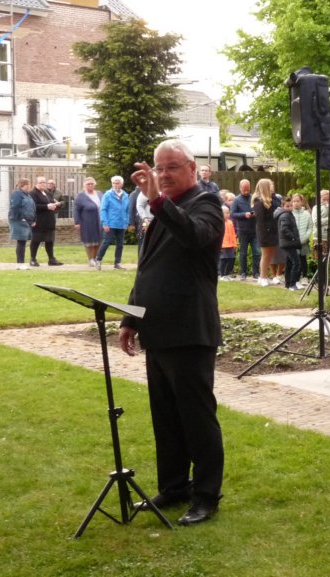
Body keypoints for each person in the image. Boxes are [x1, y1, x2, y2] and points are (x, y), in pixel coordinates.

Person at [120, 138, 225, 526]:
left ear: (192, 168)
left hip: (190, 329)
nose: (163, 175)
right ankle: (174, 486)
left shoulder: (205, 203)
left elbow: (195, 235)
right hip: (158, 328)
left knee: (197, 417)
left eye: (171, 167)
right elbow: (148, 267)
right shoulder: (161, 209)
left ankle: (207, 495)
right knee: (165, 416)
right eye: (158, 168)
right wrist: (130, 318)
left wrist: (157, 202)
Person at [95, 176, 130, 270]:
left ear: (121, 184)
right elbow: (103, 210)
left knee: (120, 244)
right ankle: (98, 260)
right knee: (106, 242)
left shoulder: (126, 195)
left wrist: (126, 222)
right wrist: (105, 223)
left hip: (121, 224)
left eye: (117, 183)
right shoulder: (107, 195)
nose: (115, 185)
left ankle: (117, 263)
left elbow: (127, 210)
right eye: (114, 183)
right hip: (111, 223)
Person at [29, 176, 63, 266]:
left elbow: (51, 202)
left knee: (50, 240)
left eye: (44, 182)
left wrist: (55, 205)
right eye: (41, 182)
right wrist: (46, 206)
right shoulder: (33, 193)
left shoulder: (47, 193)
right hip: (39, 221)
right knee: (36, 241)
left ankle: (51, 259)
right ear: (36, 183)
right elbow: (33, 206)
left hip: (49, 221)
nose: (43, 184)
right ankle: (33, 259)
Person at [231, 179, 260, 280]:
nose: (246, 191)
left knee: (257, 252)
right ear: (240, 188)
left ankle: (256, 273)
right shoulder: (236, 200)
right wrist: (244, 214)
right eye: (244, 190)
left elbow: (259, 210)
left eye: (248, 189)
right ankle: (243, 273)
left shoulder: (254, 198)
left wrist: (255, 213)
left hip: (254, 230)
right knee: (243, 253)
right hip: (242, 230)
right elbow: (232, 214)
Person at [252, 179, 279, 287]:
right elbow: (260, 220)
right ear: (265, 187)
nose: (273, 187)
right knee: (266, 255)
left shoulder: (273, 199)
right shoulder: (259, 202)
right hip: (265, 232)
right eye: (270, 185)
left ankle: (264, 276)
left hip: (273, 230)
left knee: (271, 254)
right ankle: (262, 277)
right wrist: (267, 231)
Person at [8, 178, 36, 270]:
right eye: (28, 185)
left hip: (27, 221)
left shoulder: (28, 195)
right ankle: (20, 263)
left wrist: (33, 220)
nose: (30, 186)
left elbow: (32, 208)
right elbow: (15, 207)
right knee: (21, 241)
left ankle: (20, 263)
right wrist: (22, 218)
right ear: (23, 185)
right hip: (19, 220)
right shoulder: (17, 194)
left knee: (23, 242)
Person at [312, 189, 330, 285]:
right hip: (320, 237)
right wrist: (329, 219)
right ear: (320, 199)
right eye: (324, 199)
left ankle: (326, 281)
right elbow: (316, 222)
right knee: (320, 260)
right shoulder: (316, 208)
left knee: (328, 261)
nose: (326, 201)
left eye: (328, 199)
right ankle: (320, 281)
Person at [74, 177, 102, 266]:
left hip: (99, 221)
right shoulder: (80, 196)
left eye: (92, 184)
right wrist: (77, 222)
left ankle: (96, 258)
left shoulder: (99, 194)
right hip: (87, 221)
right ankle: (90, 259)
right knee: (89, 241)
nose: (90, 185)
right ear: (84, 185)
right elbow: (76, 210)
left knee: (99, 241)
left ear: (94, 184)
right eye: (88, 184)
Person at [276, 196, 302, 290]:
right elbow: (284, 229)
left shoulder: (289, 214)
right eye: (287, 206)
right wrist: (293, 237)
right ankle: (292, 284)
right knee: (296, 263)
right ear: (283, 206)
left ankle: (288, 284)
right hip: (288, 243)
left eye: (291, 205)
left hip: (288, 243)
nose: (290, 207)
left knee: (289, 263)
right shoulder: (285, 215)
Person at [290, 193, 313, 289]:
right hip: (293, 242)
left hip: (304, 241)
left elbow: (310, 227)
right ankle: (295, 278)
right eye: (294, 201)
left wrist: (305, 238)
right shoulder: (290, 214)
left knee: (303, 259)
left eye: (298, 201)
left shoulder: (307, 214)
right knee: (295, 260)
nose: (296, 203)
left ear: (302, 202)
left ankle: (304, 277)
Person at [219, 206, 237, 280]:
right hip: (223, 245)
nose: (228, 214)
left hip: (231, 245)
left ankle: (227, 274)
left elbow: (233, 234)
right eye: (226, 213)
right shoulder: (219, 222)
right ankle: (222, 275)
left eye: (228, 213)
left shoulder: (230, 222)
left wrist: (235, 244)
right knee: (223, 260)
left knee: (231, 259)